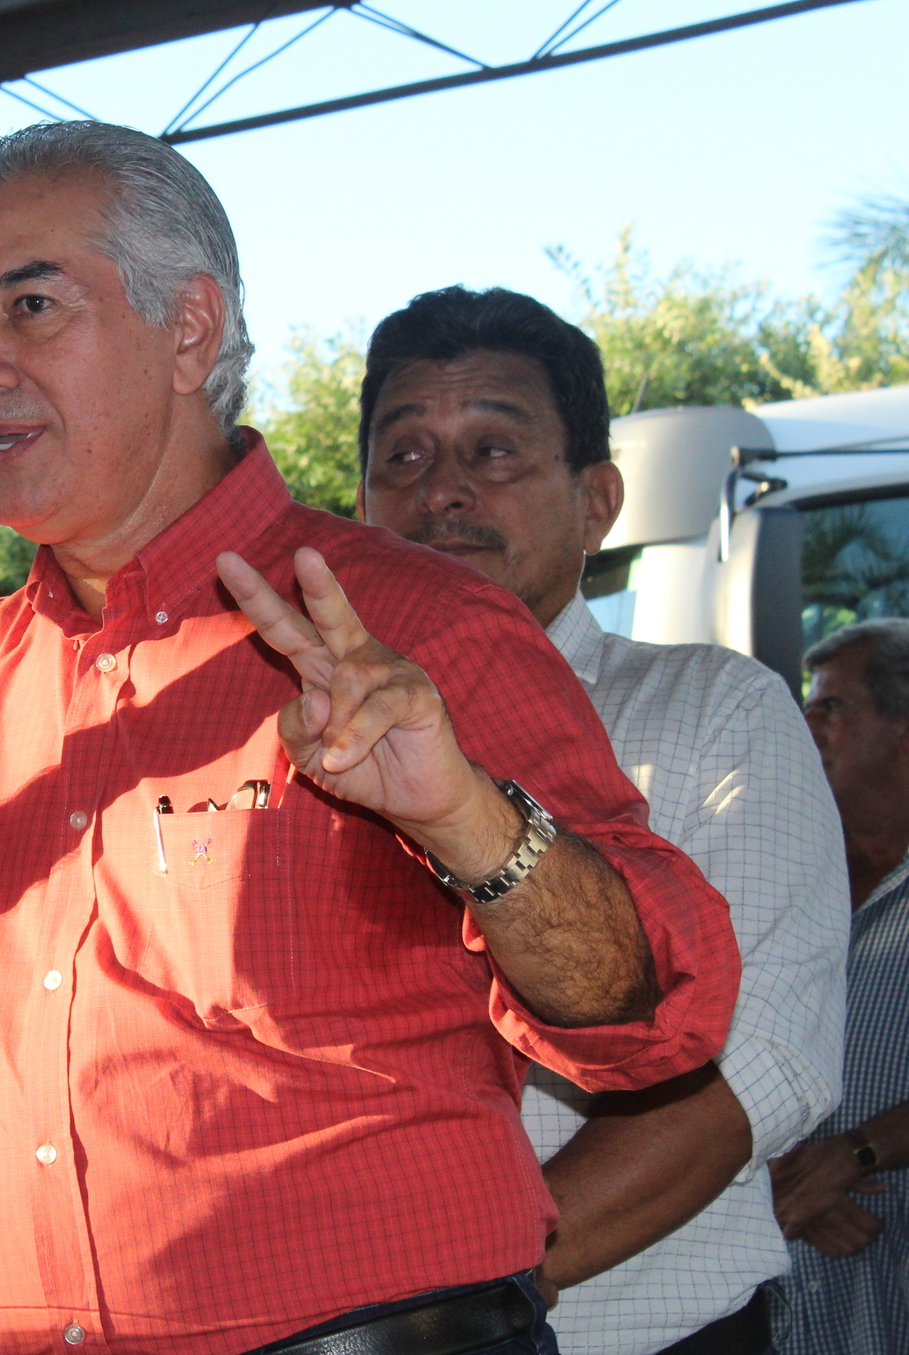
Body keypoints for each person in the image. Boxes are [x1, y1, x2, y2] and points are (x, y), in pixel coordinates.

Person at [0, 122, 741, 1355]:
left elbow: (654, 1016)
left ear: (189, 331)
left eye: (30, 307)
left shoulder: (406, 620)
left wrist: (463, 816)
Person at [355, 286, 848, 1355]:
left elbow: (756, 1069)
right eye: (403, 458)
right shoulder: (300, 739)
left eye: (493, 452)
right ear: (358, 509)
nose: (441, 494)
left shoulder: (716, 712)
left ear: (598, 502)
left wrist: (455, 1307)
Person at [770, 619, 909, 1355]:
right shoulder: (782, 869)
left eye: (832, 707)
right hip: (787, 1288)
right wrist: (780, 1173)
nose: (806, 723)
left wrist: (854, 1155)